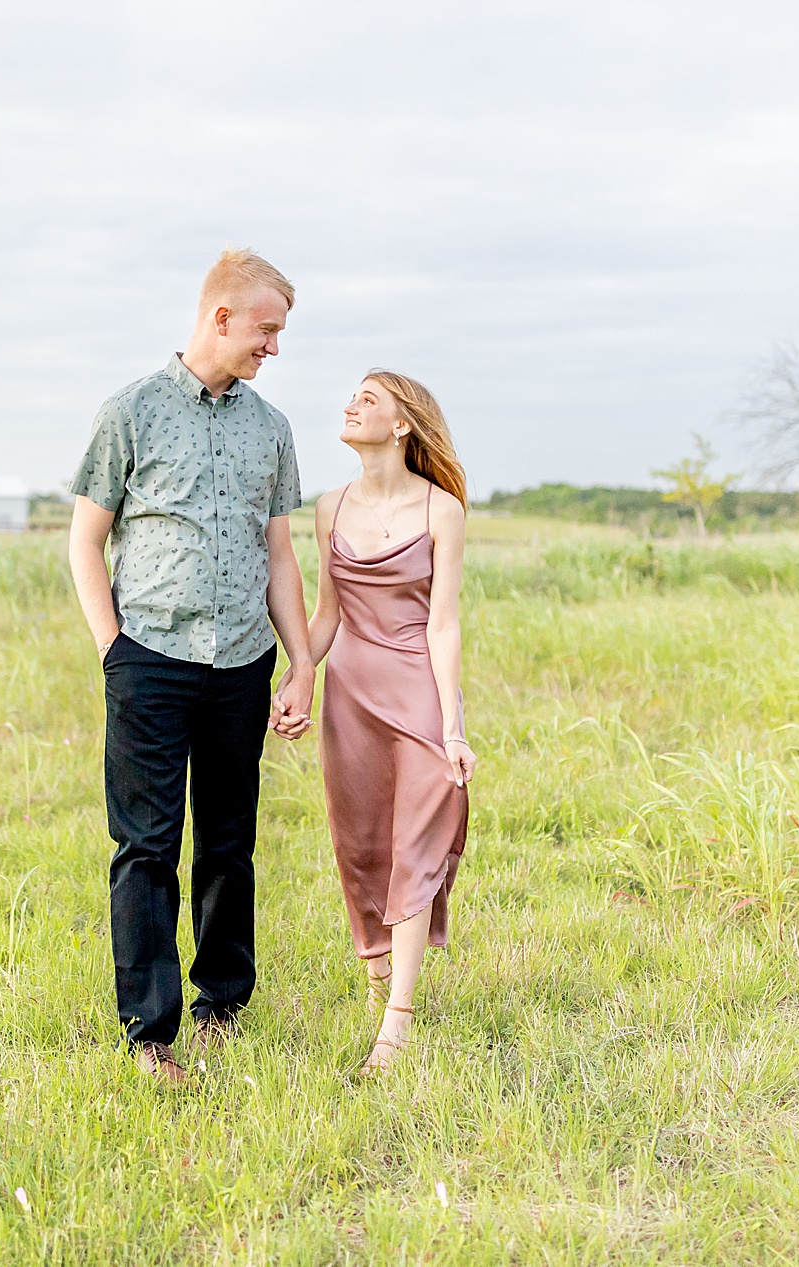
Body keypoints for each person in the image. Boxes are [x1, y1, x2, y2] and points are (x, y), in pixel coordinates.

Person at [67, 248, 315, 1084]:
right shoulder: (130, 412)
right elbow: (84, 539)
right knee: (145, 845)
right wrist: (114, 648)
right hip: (151, 660)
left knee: (228, 841)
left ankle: (222, 1003)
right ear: (221, 317)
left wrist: (302, 663)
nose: (273, 347)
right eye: (266, 330)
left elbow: (279, 553)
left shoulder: (270, 429)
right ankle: (150, 1032)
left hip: (243, 662)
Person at [300, 370, 475, 1074]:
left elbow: (444, 625)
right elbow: (326, 615)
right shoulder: (328, 507)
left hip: (418, 696)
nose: (351, 405)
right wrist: (295, 676)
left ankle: (396, 1027)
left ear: (402, 423)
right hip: (350, 697)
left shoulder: (442, 511)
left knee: (416, 846)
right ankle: (378, 978)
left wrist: (454, 727)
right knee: (362, 845)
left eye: (368, 398)